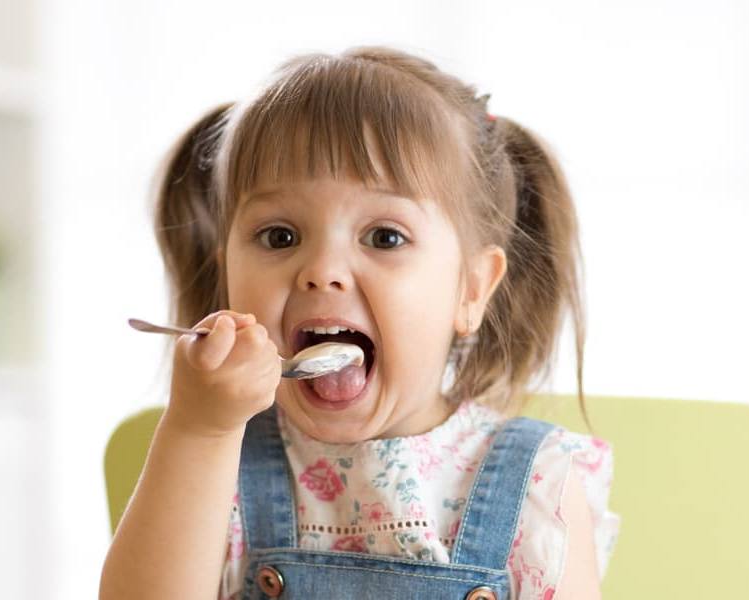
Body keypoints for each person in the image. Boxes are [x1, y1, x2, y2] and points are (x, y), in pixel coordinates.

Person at [100, 45, 620, 600]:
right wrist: (200, 431)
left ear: (470, 289)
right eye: (280, 236)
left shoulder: (536, 485)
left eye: (385, 237)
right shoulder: (216, 462)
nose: (321, 273)